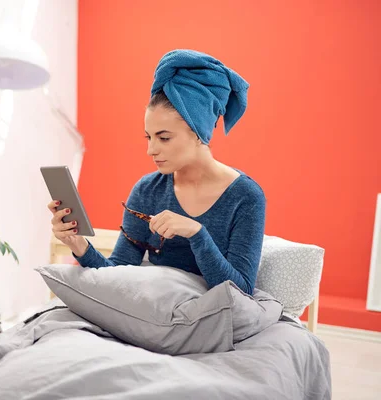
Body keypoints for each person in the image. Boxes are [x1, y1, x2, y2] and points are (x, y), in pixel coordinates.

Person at [47, 49, 265, 295]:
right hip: (153, 313)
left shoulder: (246, 197)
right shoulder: (147, 191)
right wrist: (79, 245)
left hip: (210, 318)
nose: (151, 150)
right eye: (149, 137)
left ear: (198, 133)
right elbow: (117, 273)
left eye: (164, 138)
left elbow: (241, 291)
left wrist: (197, 234)